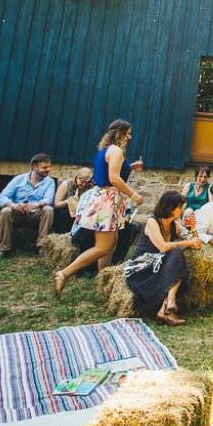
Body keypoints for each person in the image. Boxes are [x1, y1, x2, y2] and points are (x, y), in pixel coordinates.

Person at [54, 120, 145, 296]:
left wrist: (130, 167)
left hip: (104, 198)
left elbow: (109, 172)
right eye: (128, 133)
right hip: (107, 201)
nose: (130, 137)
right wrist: (134, 195)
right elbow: (114, 178)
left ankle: (103, 282)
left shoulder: (105, 150)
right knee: (103, 247)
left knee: (111, 243)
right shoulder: (117, 150)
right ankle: (64, 273)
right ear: (120, 133)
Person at [123, 190, 202, 325]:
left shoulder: (174, 225)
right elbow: (163, 247)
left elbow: (197, 245)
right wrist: (188, 242)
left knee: (177, 257)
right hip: (142, 267)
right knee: (176, 253)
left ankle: (164, 309)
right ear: (169, 207)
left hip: (159, 265)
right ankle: (170, 302)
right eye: (179, 207)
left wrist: (193, 229)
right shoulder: (152, 222)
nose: (182, 210)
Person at [0, 153, 56, 257]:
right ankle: (5, 249)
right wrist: (14, 205)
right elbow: (2, 197)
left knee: (48, 209)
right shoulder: (19, 179)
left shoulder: (50, 182)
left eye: (49, 166)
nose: (48, 169)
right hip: (17, 214)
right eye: (44, 167)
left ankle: (41, 247)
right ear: (34, 166)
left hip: (35, 215)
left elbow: (49, 199)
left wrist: (35, 205)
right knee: (6, 211)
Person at [52, 166, 93, 234]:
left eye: (84, 182)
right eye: (79, 180)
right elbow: (56, 204)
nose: (80, 183)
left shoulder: (90, 189)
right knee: (64, 213)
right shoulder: (67, 185)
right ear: (76, 177)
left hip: (81, 214)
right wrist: (69, 201)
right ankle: (61, 234)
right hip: (65, 212)